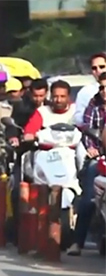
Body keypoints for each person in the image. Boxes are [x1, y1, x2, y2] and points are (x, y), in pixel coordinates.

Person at [68, 72, 106, 256]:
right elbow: (88, 132)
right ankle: (78, 243)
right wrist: (93, 150)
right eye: (102, 87)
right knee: (89, 198)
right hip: (100, 156)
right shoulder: (94, 104)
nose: (105, 91)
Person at [73, 52, 106, 128]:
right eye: (94, 68)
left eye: (102, 67)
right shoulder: (85, 92)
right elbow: (79, 120)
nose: (98, 70)